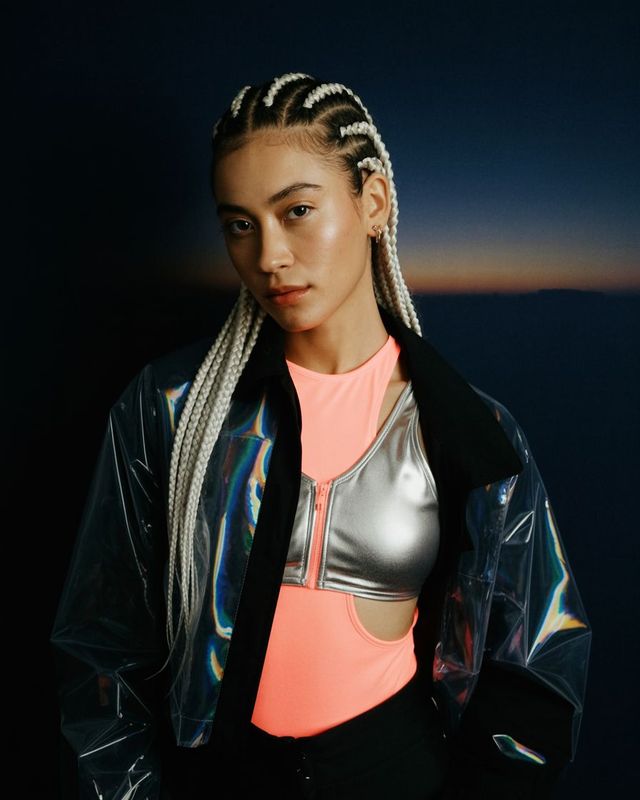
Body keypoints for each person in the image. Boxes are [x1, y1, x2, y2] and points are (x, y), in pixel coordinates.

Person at [50, 72, 592, 800]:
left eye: (297, 210)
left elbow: (537, 659)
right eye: (240, 224)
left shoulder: (471, 432)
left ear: (373, 202)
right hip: (224, 776)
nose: (269, 256)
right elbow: (102, 647)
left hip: (394, 771)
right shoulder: (172, 406)